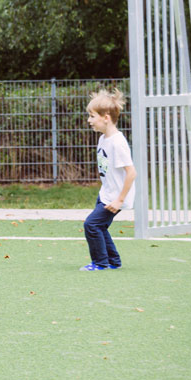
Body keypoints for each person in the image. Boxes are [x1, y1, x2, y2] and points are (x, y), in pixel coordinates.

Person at [81, 88, 136, 271]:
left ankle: (100, 263)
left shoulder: (118, 143)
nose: (89, 120)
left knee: (91, 225)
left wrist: (120, 199)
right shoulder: (104, 138)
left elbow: (131, 172)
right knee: (100, 226)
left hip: (115, 197)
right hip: (106, 193)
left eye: (92, 116)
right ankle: (113, 261)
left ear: (106, 117)